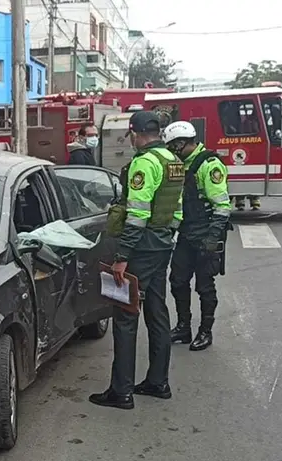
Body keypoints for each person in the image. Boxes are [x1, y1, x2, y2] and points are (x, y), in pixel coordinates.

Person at [89, 110, 184, 410]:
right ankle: (158, 382)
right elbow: (176, 209)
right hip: (163, 243)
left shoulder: (144, 163)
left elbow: (138, 215)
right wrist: (166, 236)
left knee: (125, 317)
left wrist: (122, 257)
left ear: (135, 133)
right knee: (157, 313)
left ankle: (122, 392)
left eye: (130, 134)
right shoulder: (173, 160)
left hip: (141, 248)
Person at [161, 121, 232, 352]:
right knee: (178, 281)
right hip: (187, 232)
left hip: (207, 233)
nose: (172, 151)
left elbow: (222, 206)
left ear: (182, 143)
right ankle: (183, 327)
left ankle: (205, 331)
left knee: (204, 286)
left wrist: (213, 239)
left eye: (173, 146)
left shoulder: (209, 165)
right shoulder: (181, 165)